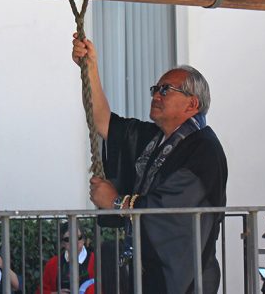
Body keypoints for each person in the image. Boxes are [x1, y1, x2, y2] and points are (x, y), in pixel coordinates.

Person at [72, 36, 227, 294]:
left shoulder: (205, 149)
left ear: (192, 103)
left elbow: (172, 209)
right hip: (149, 272)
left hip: (187, 279)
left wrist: (116, 202)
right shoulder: (155, 138)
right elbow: (102, 121)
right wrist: (90, 66)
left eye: (165, 90)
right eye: (155, 89)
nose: (156, 95)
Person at [35, 222, 95, 294]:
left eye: (78, 237)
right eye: (67, 239)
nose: (74, 241)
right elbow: (40, 291)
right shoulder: (52, 264)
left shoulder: (96, 261)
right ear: (62, 243)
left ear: (84, 240)